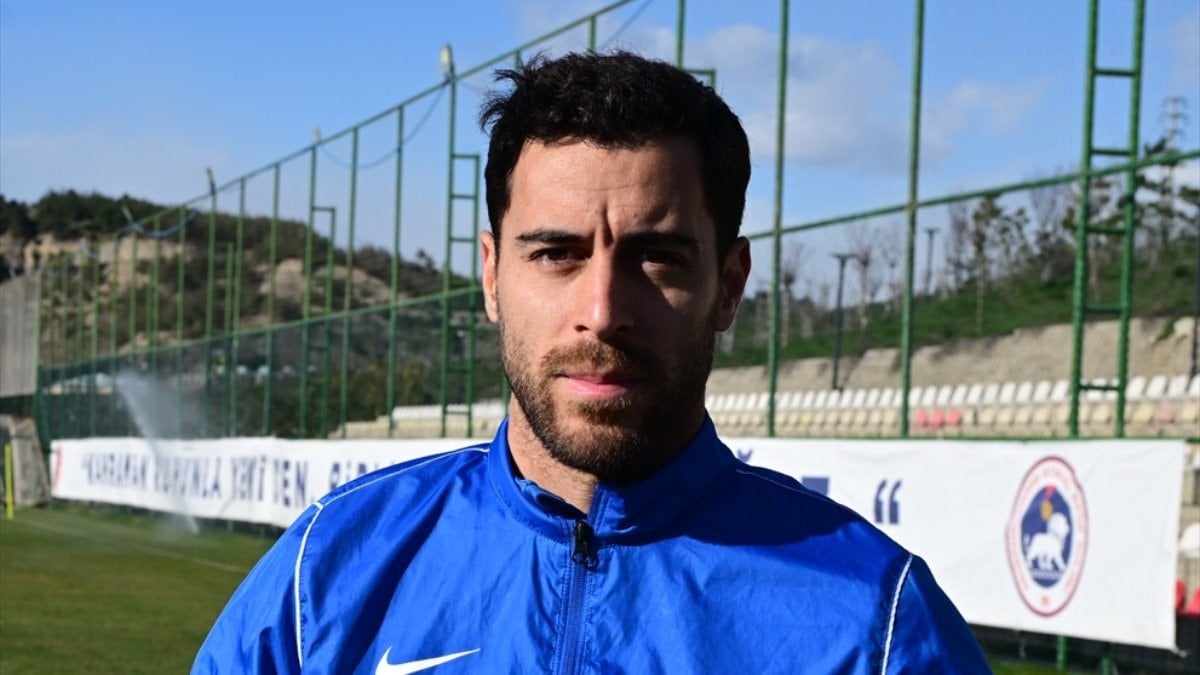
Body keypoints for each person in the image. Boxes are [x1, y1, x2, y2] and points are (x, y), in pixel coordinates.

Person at [194, 51, 989, 674]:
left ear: (729, 285)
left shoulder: (876, 623)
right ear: (492, 276)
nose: (603, 311)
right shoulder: (328, 571)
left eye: (657, 257)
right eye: (556, 253)